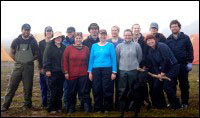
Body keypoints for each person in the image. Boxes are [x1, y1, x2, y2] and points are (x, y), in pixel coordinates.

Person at [1, 23, 40, 112]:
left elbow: (37, 54)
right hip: (18, 66)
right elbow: (11, 52)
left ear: (30, 31)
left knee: (28, 87)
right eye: (25, 30)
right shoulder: (16, 40)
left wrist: (30, 60)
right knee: (12, 86)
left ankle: (28, 105)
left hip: (29, 67)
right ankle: (5, 105)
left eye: (28, 30)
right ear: (22, 30)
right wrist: (17, 60)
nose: (26, 31)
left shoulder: (33, 41)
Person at [145, 34, 182, 110]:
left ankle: (177, 105)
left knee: (167, 86)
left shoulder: (162, 46)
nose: (150, 41)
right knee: (156, 86)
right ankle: (161, 105)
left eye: (151, 39)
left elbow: (166, 60)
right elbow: (154, 64)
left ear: (155, 40)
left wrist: (162, 73)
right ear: (146, 42)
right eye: (148, 40)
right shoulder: (150, 50)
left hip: (172, 68)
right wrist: (158, 74)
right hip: (162, 70)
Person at [166, 20, 194, 108]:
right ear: (170, 28)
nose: (174, 28)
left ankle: (185, 102)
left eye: (175, 26)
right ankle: (173, 102)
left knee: (184, 84)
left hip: (183, 65)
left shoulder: (185, 37)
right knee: (172, 84)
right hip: (172, 66)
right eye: (172, 26)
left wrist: (189, 62)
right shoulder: (168, 39)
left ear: (179, 27)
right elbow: (167, 53)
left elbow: (190, 50)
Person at [88, 29, 117, 113]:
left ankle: (108, 107)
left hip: (107, 69)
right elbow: (91, 59)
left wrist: (114, 72)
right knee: (97, 89)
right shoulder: (94, 46)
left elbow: (113, 59)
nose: (102, 36)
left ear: (106, 36)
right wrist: (90, 72)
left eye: (104, 35)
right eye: (101, 35)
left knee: (107, 89)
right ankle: (98, 108)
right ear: (98, 35)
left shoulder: (110, 45)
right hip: (95, 70)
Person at [63, 32, 91, 114]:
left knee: (84, 91)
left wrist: (89, 72)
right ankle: (71, 107)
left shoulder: (86, 49)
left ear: (82, 39)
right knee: (72, 92)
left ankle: (86, 107)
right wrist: (66, 72)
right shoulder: (68, 48)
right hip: (72, 75)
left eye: (79, 38)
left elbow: (89, 61)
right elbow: (64, 61)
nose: (78, 39)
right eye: (76, 38)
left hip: (84, 74)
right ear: (74, 39)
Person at [116, 29, 143, 113]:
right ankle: (122, 107)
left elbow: (139, 57)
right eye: (126, 35)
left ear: (131, 36)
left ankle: (132, 107)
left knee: (133, 89)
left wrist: (134, 65)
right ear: (123, 36)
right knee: (122, 90)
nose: (127, 37)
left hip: (134, 70)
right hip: (122, 71)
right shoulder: (119, 46)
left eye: (129, 35)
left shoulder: (136, 45)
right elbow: (117, 58)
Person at [43, 31, 66, 113]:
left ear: (62, 38)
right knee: (52, 91)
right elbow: (46, 58)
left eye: (60, 37)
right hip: (51, 72)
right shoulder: (49, 46)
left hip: (61, 72)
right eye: (57, 37)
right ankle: (51, 108)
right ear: (54, 39)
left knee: (60, 91)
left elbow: (65, 60)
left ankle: (58, 107)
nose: (58, 39)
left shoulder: (64, 47)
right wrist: (47, 70)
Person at [131, 23, 151, 109]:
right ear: (132, 29)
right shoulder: (129, 39)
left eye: (138, 28)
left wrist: (144, 65)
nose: (136, 30)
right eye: (135, 28)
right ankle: (135, 101)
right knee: (134, 83)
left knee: (143, 84)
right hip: (131, 66)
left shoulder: (143, 40)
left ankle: (144, 100)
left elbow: (146, 53)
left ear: (140, 29)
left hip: (142, 66)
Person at [148, 22, 167, 107]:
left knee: (161, 85)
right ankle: (156, 103)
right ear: (150, 29)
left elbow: (165, 53)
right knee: (153, 85)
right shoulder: (148, 38)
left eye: (155, 28)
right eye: (152, 28)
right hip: (153, 65)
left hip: (162, 65)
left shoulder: (161, 37)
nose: (153, 30)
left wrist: (162, 69)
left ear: (157, 29)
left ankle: (162, 103)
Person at [107, 25, 124, 110]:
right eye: (112, 30)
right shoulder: (107, 41)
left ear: (118, 31)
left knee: (119, 87)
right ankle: (109, 105)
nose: (114, 32)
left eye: (116, 30)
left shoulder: (122, 41)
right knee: (109, 87)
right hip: (109, 67)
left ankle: (118, 105)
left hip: (120, 67)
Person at [38, 26, 54, 109]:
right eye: (47, 31)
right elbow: (40, 56)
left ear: (52, 32)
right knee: (44, 86)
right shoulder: (41, 43)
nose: (49, 32)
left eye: (50, 31)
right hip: (43, 68)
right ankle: (44, 104)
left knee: (51, 87)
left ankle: (50, 103)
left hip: (52, 69)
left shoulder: (54, 42)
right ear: (45, 32)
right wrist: (41, 68)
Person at [61, 26, 76, 112]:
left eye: (71, 32)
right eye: (68, 32)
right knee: (66, 88)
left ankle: (73, 105)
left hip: (76, 69)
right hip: (66, 69)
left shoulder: (77, 41)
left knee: (74, 89)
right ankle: (67, 105)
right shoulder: (63, 42)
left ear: (74, 32)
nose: (69, 33)